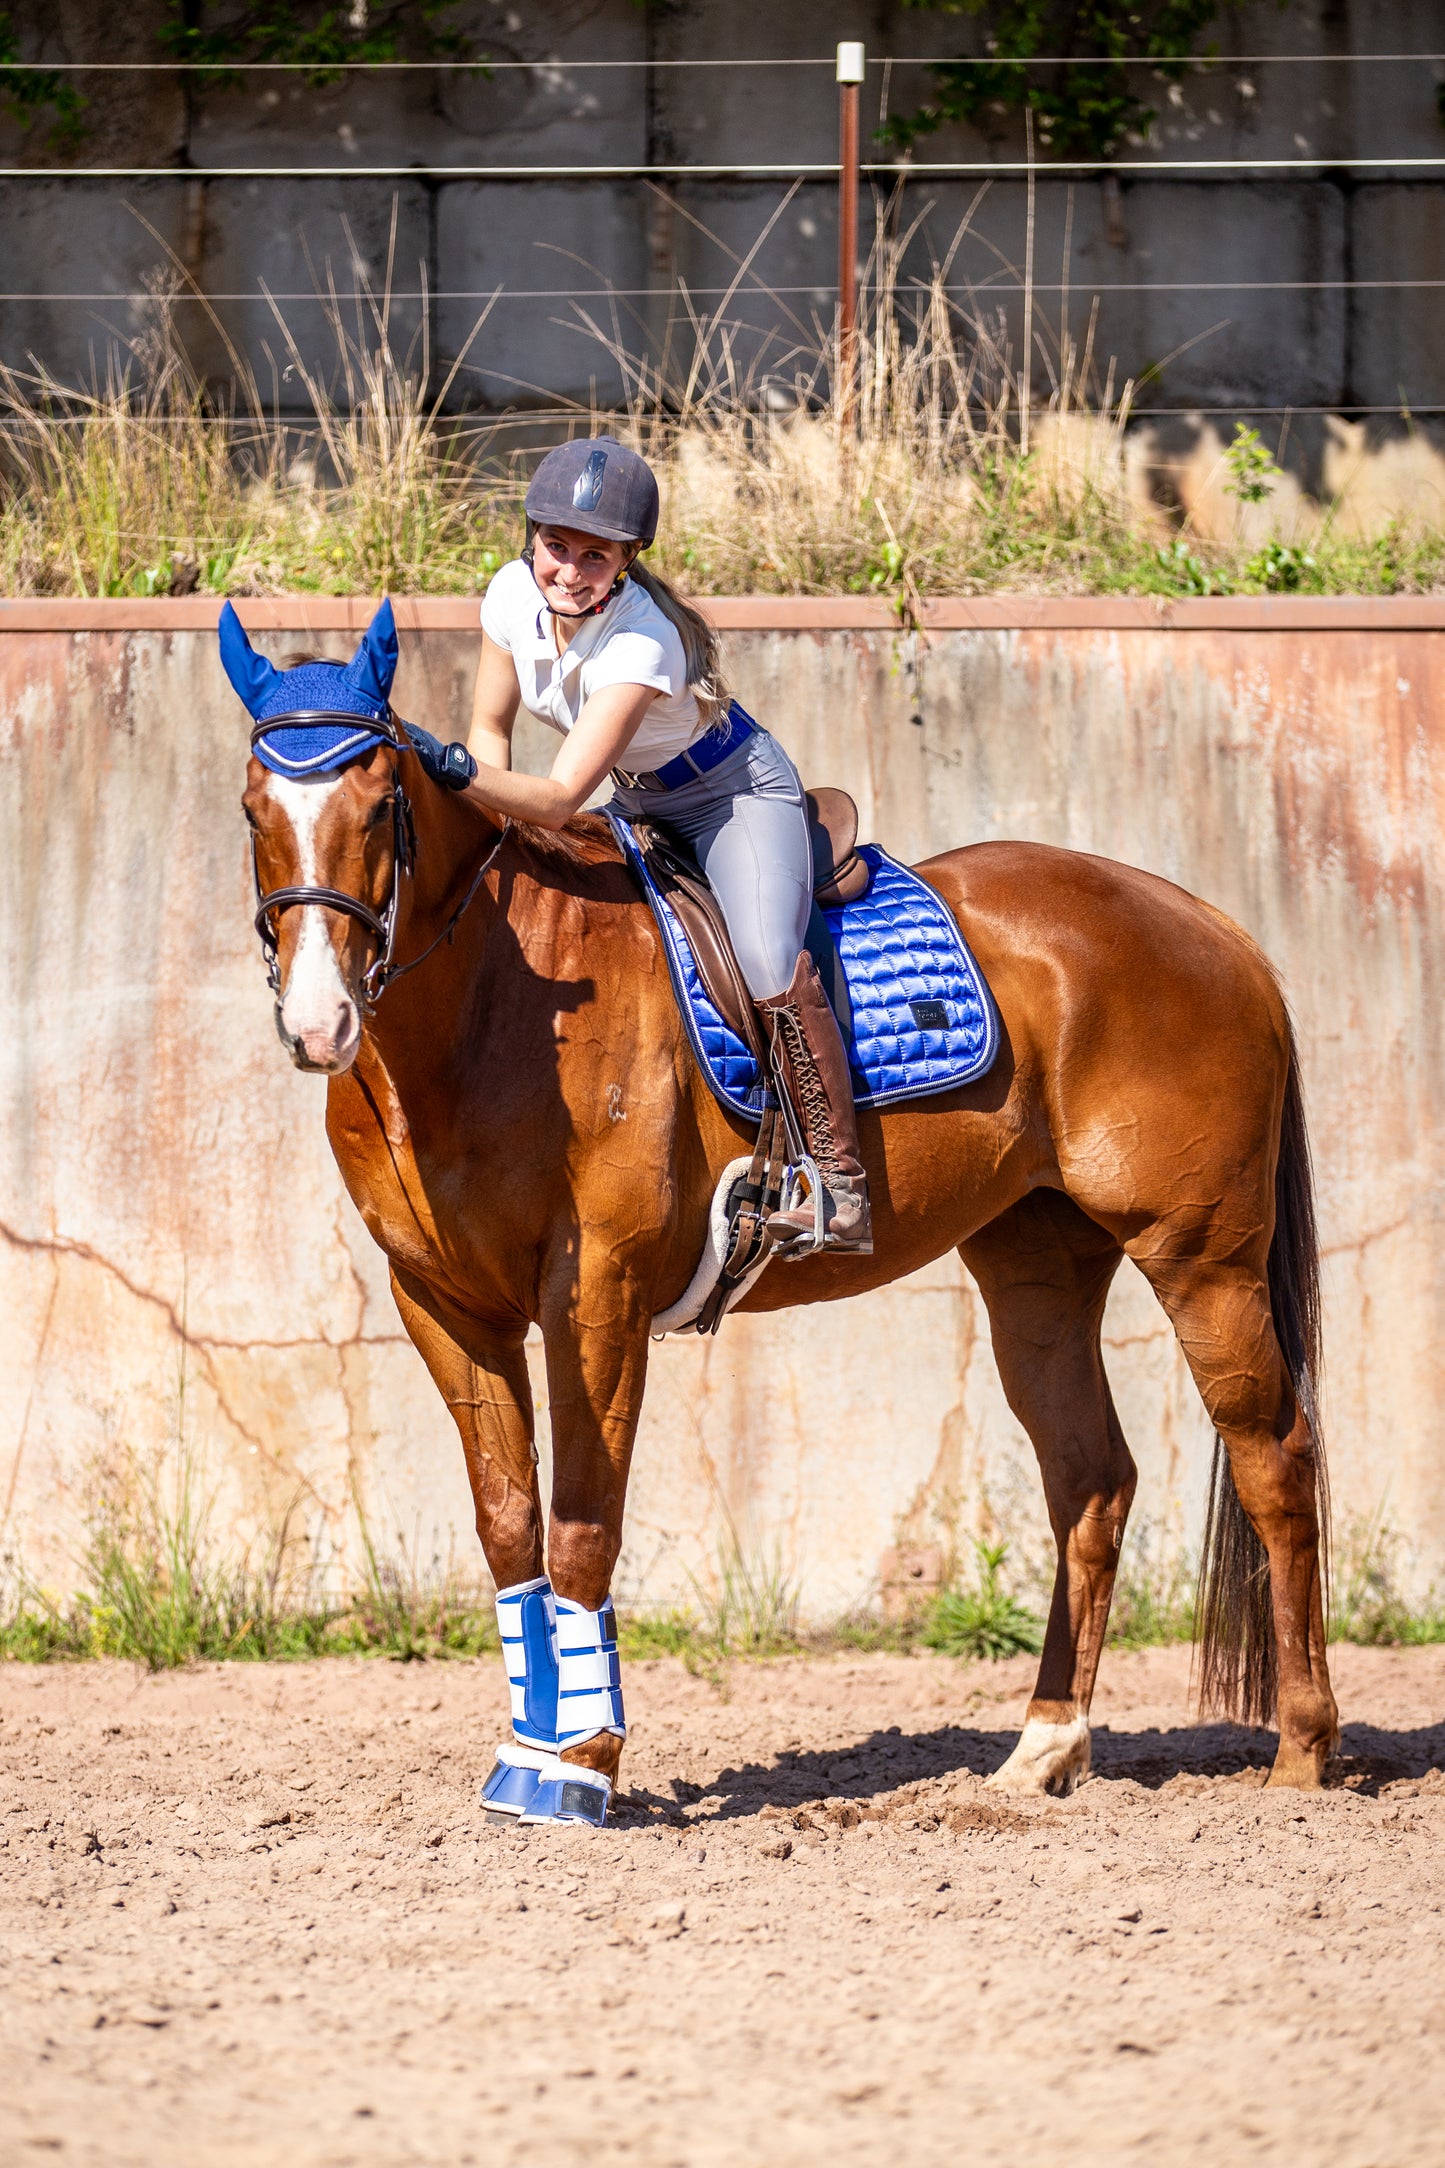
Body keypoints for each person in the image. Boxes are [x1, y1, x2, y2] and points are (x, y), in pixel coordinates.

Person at [462, 435, 871, 1256]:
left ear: (628, 558)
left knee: (762, 958)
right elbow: (487, 730)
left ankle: (838, 1188)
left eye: (594, 554)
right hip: (641, 797)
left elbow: (557, 797)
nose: (568, 570)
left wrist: (444, 772)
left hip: (730, 795)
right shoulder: (509, 595)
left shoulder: (644, 639)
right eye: (555, 546)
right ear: (529, 537)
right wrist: (485, 836)